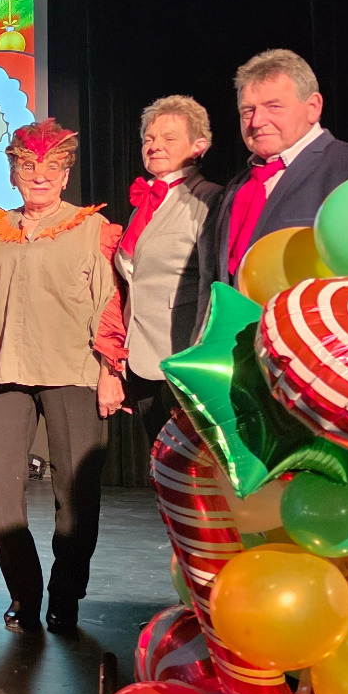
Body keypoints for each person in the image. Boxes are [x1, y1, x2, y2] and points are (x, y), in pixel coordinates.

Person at [0, 120, 126, 634]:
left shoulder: (89, 228)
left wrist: (111, 370)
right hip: (2, 371)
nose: (39, 176)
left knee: (76, 494)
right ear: (13, 174)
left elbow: (109, 302)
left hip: (74, 370)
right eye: (27, 167)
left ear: (66, 175)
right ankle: (24, 594)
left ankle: (65, 595)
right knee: (0, 492)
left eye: (51, 168)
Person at [196, 48, 348, 323]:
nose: (257, 121)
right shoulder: (235, 187)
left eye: (274, 107)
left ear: (313, 107)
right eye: (247, 111)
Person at [116, 97, 223, 475]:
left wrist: (198, 357)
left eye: (168, 138)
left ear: (199, 145)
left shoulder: (208, 198)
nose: (155, 145)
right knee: (163, 472)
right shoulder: (144, 204)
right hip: (140, 356)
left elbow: (213, 282)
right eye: (149, 138)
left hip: (181, 355)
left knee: (195, 474)